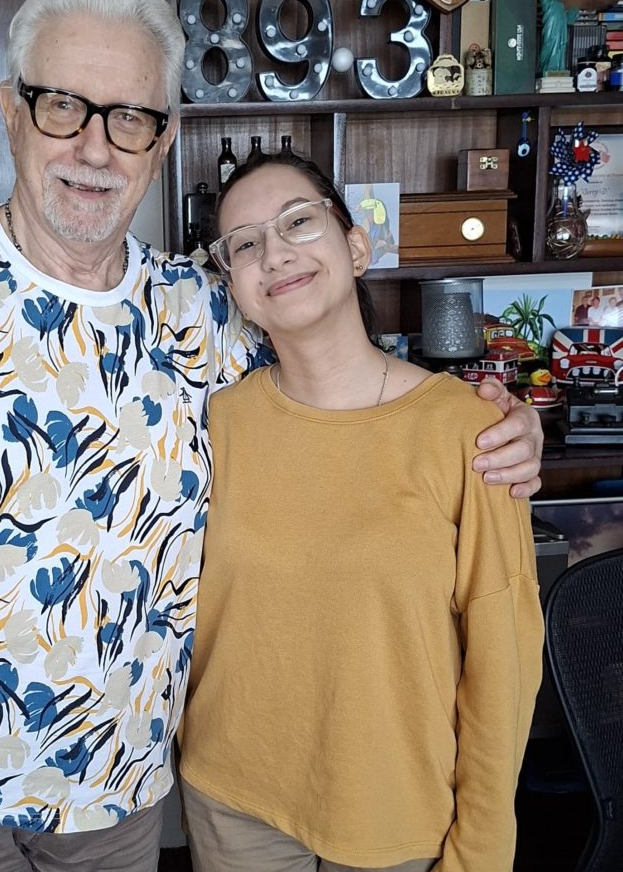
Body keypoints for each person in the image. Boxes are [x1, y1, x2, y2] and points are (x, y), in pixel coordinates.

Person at [0, 0, 543, 872]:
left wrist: (495, 421)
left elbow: (339, 383)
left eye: (129, 118)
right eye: (63, 106)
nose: (95, 148)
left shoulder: (207, 308)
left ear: (163, 140)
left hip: (122, 793)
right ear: (12, 112)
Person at [178, 153, 545, 872]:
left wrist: (481, 850)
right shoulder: (213, 423)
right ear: (235, 287)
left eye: (298, 222)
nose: (274, 253)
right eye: (245, 244)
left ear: (355, 247)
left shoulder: (470, 431)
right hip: (233, 801)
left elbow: (503, 663)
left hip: (397, 809)